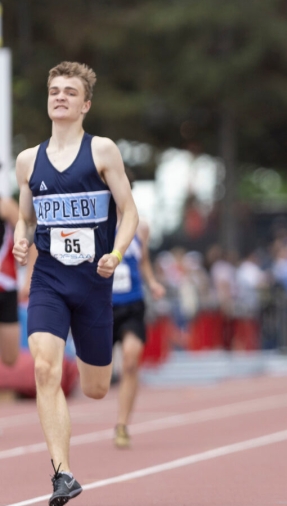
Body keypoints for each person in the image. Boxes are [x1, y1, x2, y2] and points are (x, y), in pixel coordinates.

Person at [13, 61, 138, 505]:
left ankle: (96, 391)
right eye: (54, 90)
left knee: (96, 388)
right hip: (48, 279)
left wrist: (116, 254)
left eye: (70, 91)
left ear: (85, 104)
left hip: (93, 282)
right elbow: (25, 217)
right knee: (45, 367)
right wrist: (21, 243)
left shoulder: (102, 151)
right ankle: (62, 474)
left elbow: (130, 212)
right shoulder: (28, 160)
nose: (60, 96)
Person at [111, 217, 165, 448]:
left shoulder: (140, 228)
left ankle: (122, 424)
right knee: (97, 380)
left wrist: (152, 282)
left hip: (132, 305)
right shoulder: (94, 221)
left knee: (131, 361)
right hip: (101, 306)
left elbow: (143, 262)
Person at [0, 197, 22, 367]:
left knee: (10, 357)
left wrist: (29, 277)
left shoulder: (6, 207)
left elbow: (30, 240)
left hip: (6, 288)